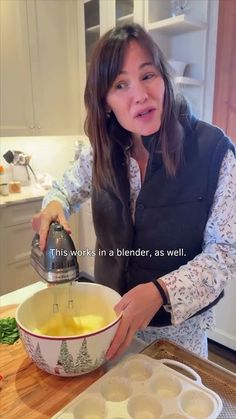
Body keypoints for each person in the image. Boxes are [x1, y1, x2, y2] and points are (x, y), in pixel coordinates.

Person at [32, 23, 236, 360]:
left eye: (147, 75)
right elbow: (65, 189)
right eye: (120, 84)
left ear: (164, 79)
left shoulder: (213, 151)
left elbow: (225, 253)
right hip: (108, 324)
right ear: (106, 102)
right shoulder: (103, 151)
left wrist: (161, 292)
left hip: (179, 339)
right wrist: (54, 203)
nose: (139, 95)